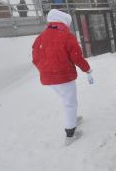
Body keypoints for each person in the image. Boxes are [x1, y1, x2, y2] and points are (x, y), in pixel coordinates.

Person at [32, 9, 94, 146]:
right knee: (70, 103)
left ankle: (72, 119)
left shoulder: (40, 37)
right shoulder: (67, 36)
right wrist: (87, 69)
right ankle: (70, 134)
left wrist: (45, 70)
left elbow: (35, 58)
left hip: (49, 79)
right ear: (64, 21)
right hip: (64, 76)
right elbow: (77, 57)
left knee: (67, 101)